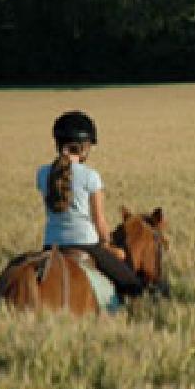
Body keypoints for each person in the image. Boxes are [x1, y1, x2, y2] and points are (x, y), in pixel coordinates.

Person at [36, 110, 143, 296]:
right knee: (132, 285)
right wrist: (109, 244)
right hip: (86, 244)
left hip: (50, 245)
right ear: (83, 147)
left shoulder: (42, 173)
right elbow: (99, 222)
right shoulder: (90, 176)